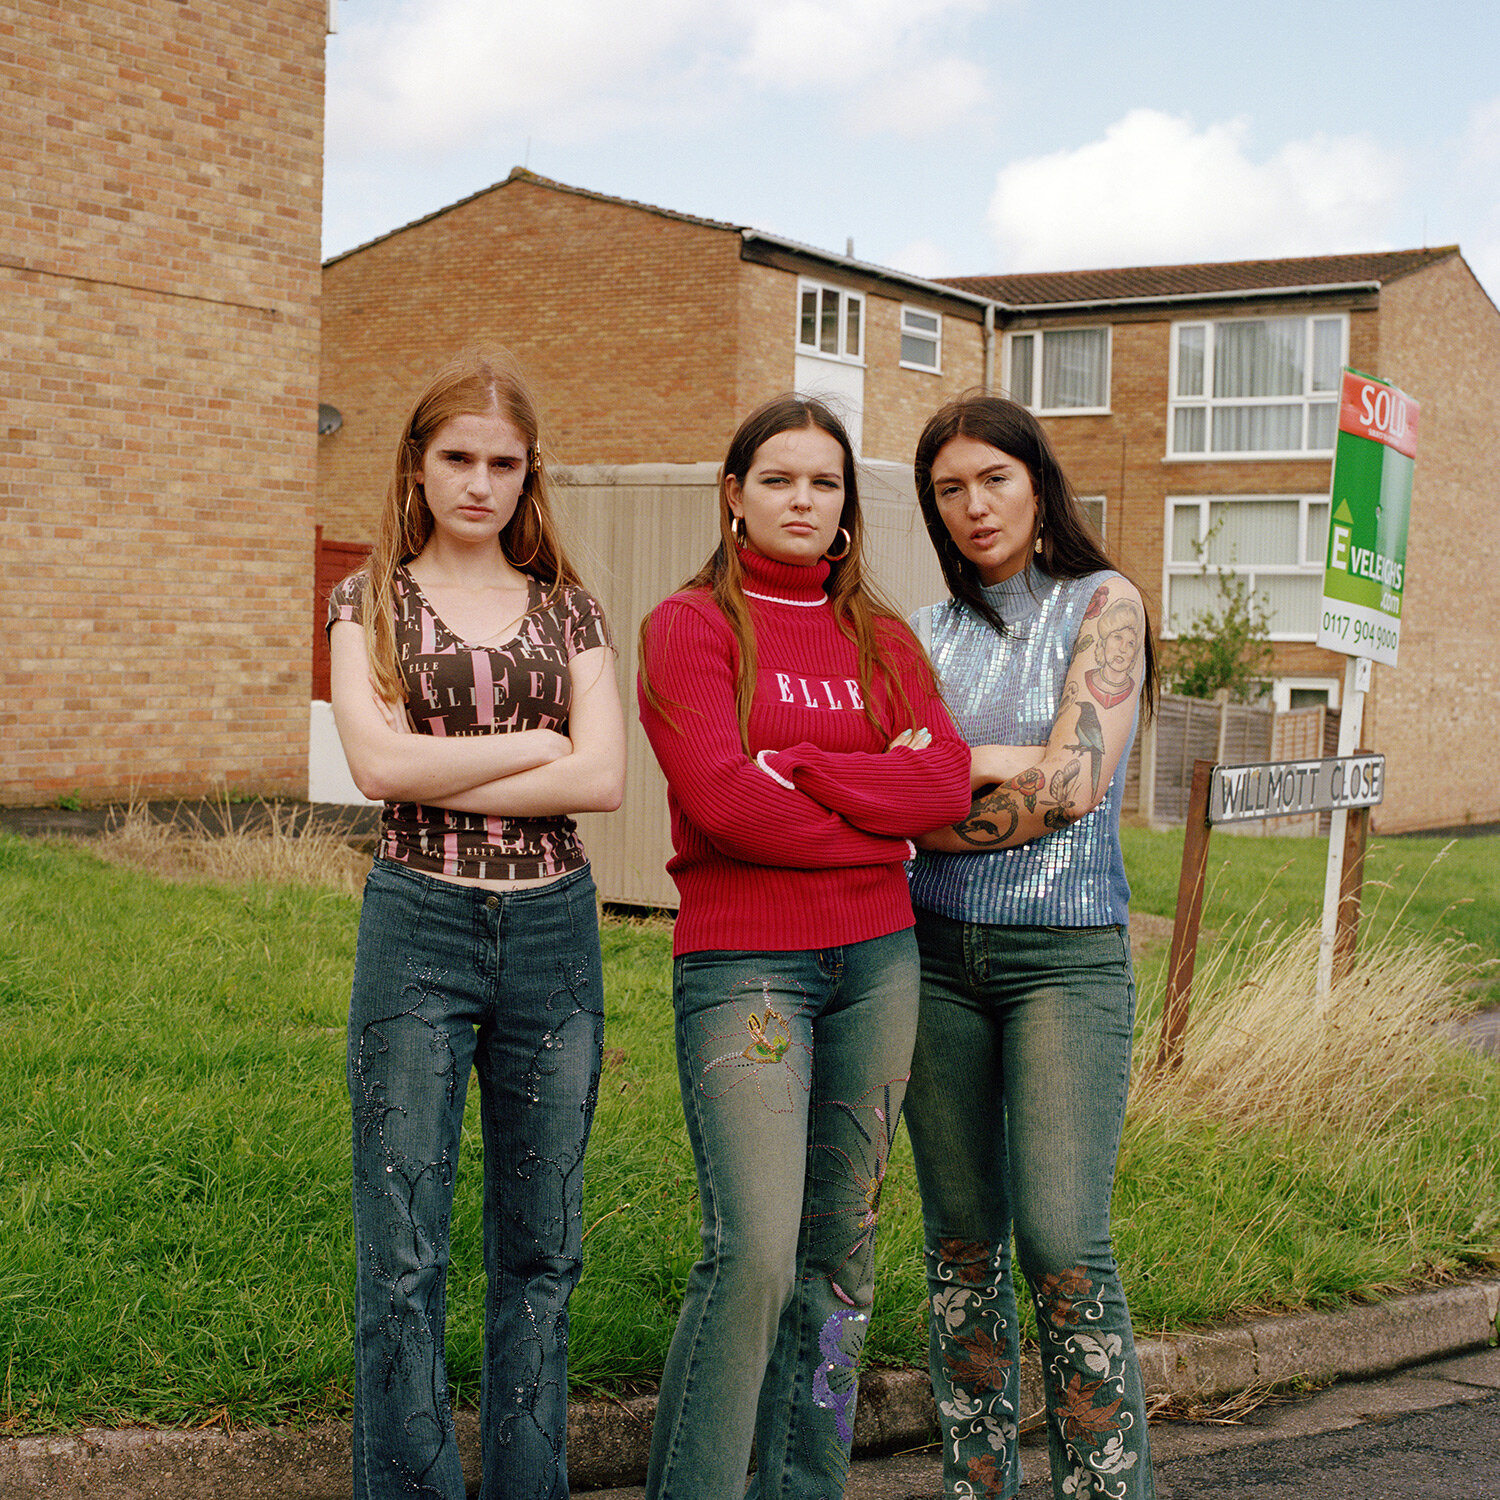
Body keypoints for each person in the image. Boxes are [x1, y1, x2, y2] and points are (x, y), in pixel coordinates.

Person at [636, 395, 973, 1500]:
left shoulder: (884, 637)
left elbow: (943, 783)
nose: (801, 500)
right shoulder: (691, 628)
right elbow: (725, 807)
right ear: (733, 495)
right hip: (748, 973)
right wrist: (874, 796)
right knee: (758, 1259)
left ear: (845, 508)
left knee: (842, 1261)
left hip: (880, 965)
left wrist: (807, 769)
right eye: (778, 479)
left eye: (823, 483)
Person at [326, 349, 626, 1500]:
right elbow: (374, 764)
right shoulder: (370, 602)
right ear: (416, 462)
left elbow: (601, 784)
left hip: (554, 933)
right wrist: (531, 748)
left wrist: (443, 768)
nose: (479, 483)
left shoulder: (572, 609)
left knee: (542, 1250)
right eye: (458, 457)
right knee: (402, 1248)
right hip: (420, 925)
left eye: (503, 462)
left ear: (527, 474)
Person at [903, 393, 1159, 1500]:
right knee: (961, 1247)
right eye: (949, 489)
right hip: (930, 957)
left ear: (1037, 482)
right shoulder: (920, 635)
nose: (973, 506)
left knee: (1061, 1238)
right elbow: (880, 779)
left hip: (1066, 960)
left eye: (993, 480)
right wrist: (992, 768)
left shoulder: (1105, 605)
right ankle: (978, 1486)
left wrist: (936, 795)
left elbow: (1073, 782)